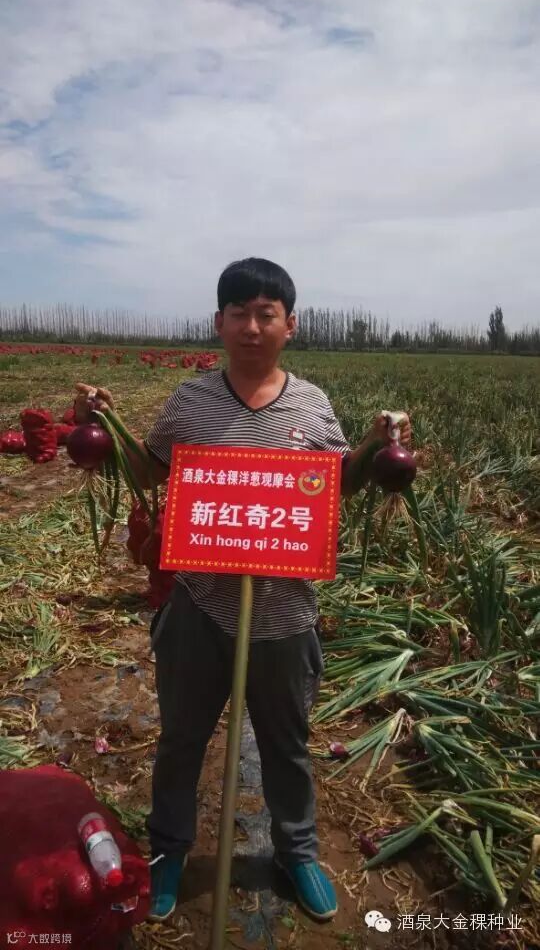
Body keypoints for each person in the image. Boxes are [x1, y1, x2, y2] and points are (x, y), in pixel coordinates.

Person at [75, 257, 411, 925]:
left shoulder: (312, 406)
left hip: (285, 612)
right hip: (199, 605)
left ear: (291, 324)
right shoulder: (190, 402)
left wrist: (377, 446)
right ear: (219, 323)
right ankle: (169, 850)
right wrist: (104, 427)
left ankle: (297, 852)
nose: (252, 327)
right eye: (239, 314)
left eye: (266, 314)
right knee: (181, 740)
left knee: (286, 744)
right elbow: (150, 470)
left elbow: (335, 488)